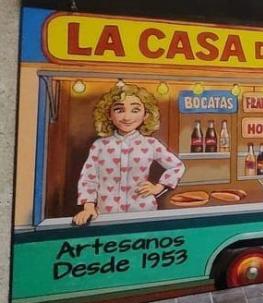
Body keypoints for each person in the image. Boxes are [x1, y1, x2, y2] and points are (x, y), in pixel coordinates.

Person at [72, 84, 185, 226]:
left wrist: (158, 187)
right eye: (119, 110)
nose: (127, 117)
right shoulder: (100, 146)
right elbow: (88, 178)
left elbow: (177, 166)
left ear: (146, 115)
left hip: (143, 212)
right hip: (107, 215)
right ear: (109, 114)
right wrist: (88, 207)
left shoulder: (150, 143)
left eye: (135, 110)